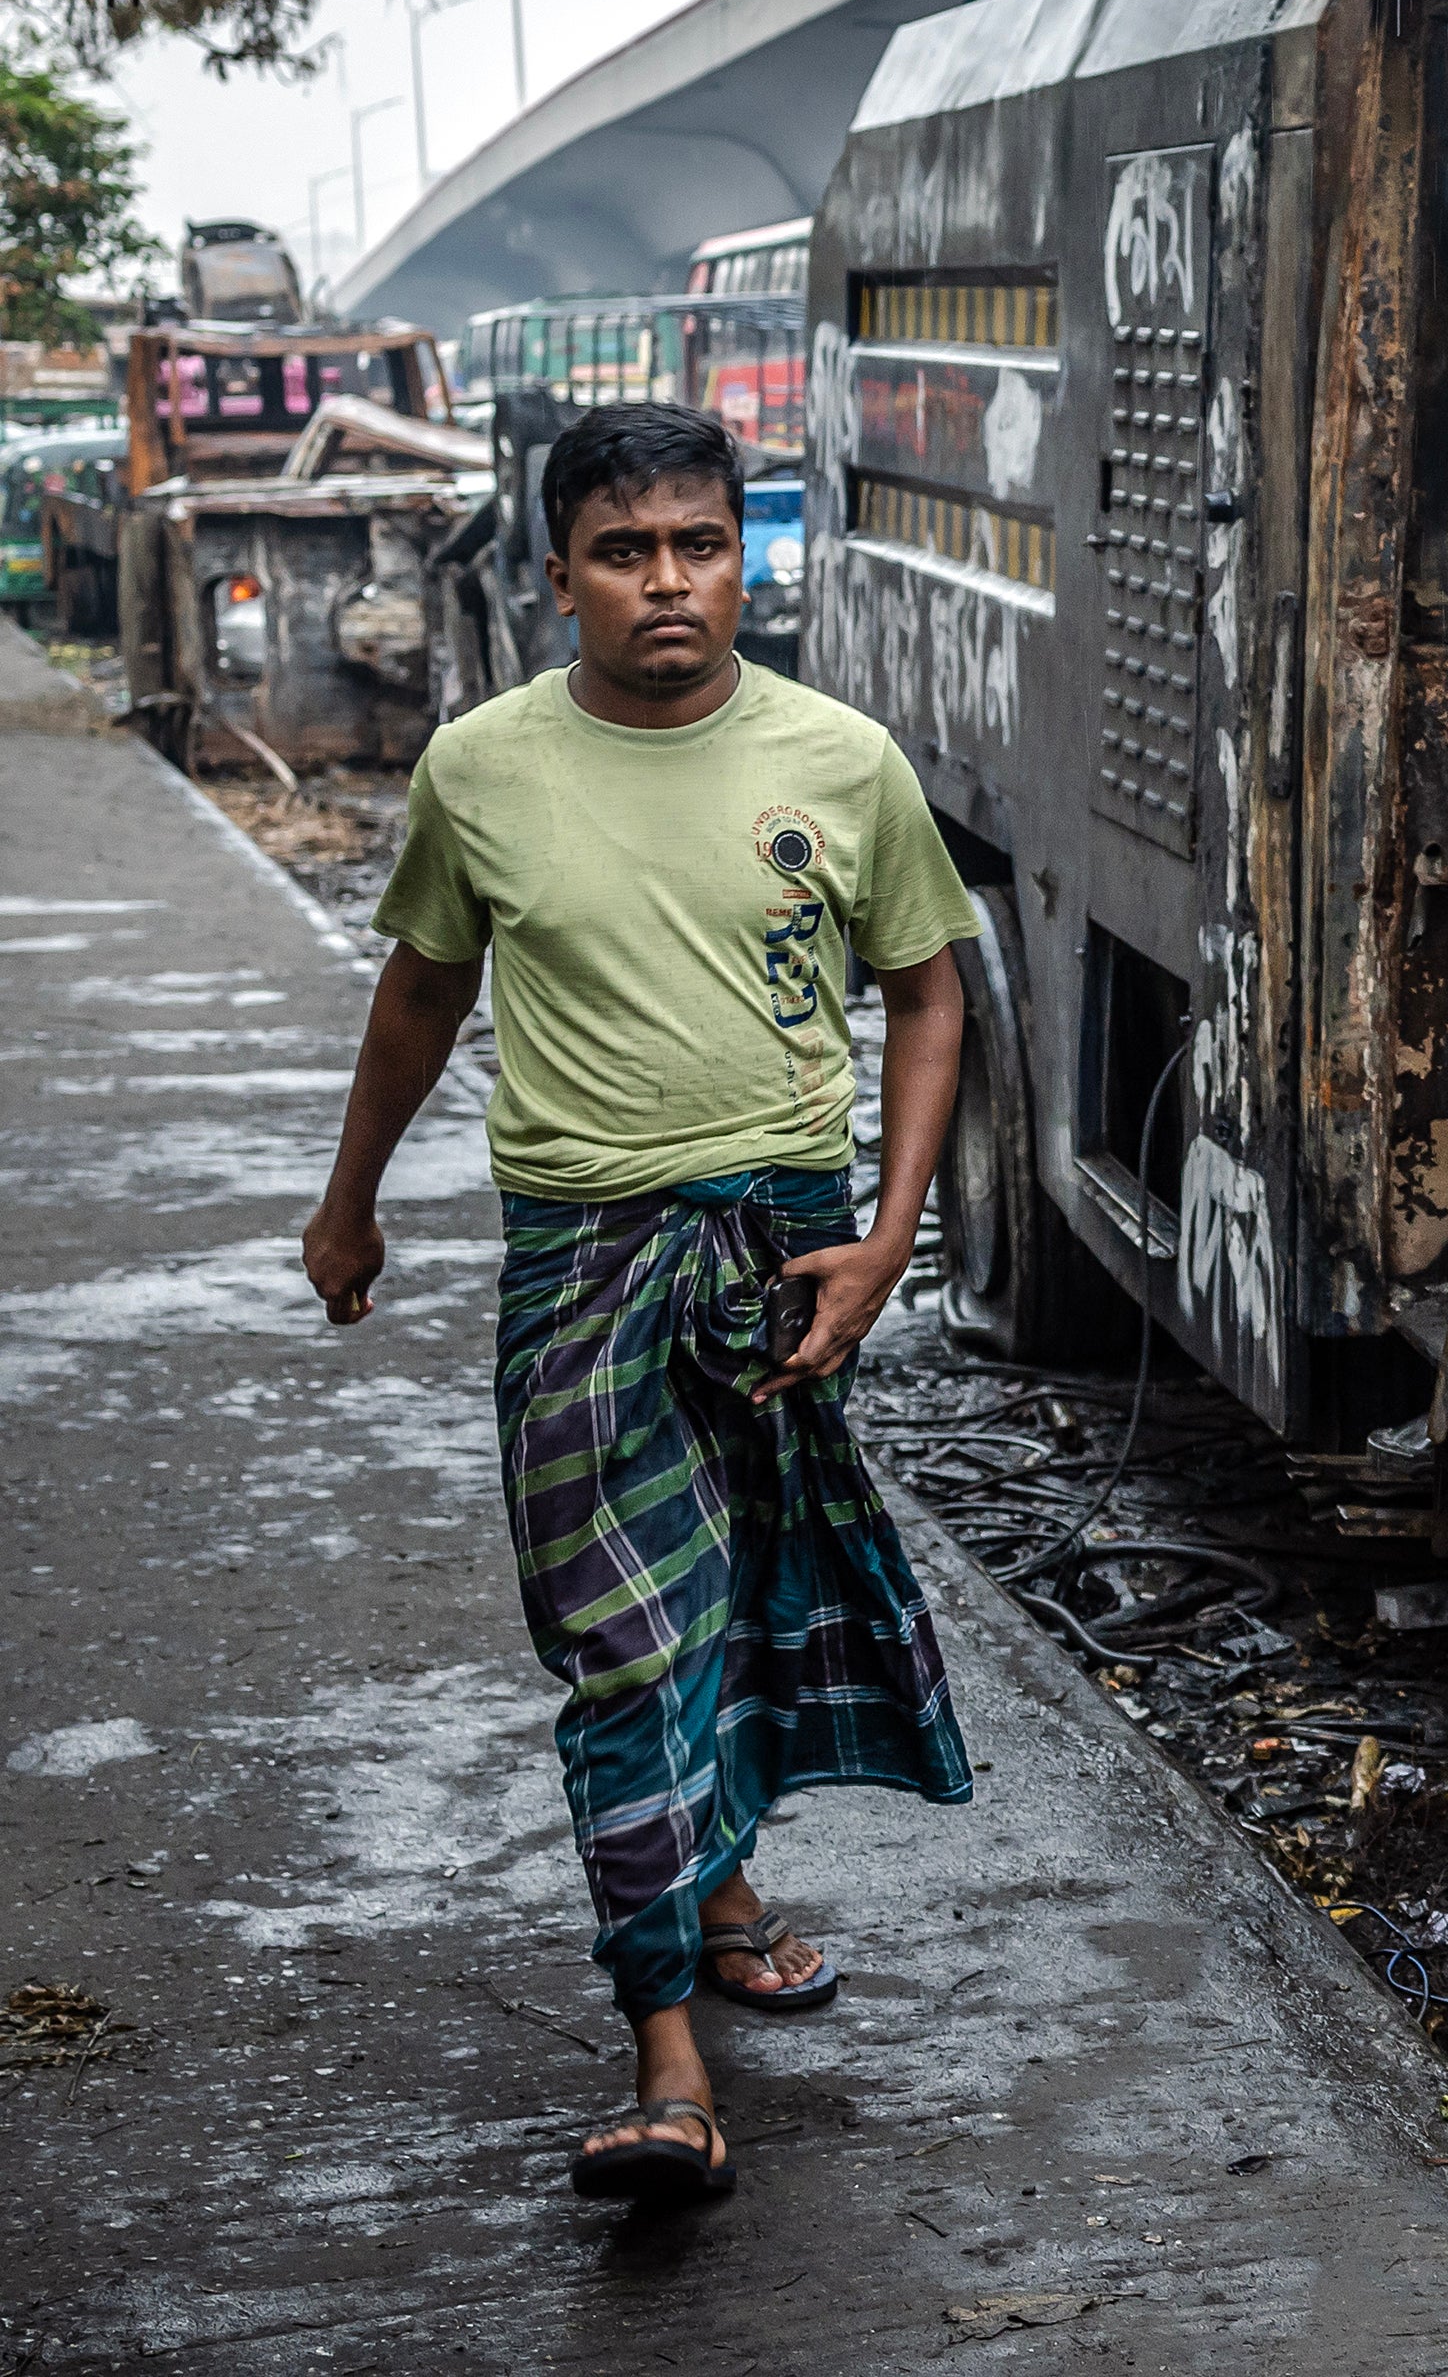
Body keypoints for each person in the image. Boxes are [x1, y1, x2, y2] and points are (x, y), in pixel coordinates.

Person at [301, 401, 982, 2206]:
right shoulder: (484, 767)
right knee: (623, 1641)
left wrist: (891, 1233)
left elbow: (926, 992)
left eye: (699, 542)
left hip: (782, 1244)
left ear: (743, 553)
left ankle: (725, 1884)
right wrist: (347, 1196)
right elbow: (419, 999)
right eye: (625, 550)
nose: (667, 581)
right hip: (583, 1256)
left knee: (743, 1595)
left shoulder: (842, 761)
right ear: (560, 574)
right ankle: (665, 2051)